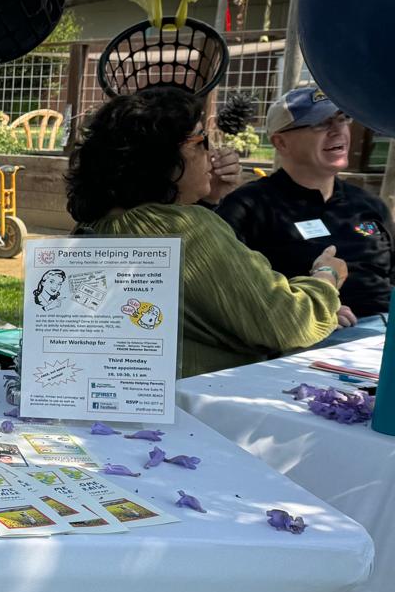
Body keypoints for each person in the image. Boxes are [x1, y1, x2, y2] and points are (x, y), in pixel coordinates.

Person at [67, 86, 344, 378]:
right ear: (162, 157)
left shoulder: (95, 224)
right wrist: (325, 278)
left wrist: (207, 199)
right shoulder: (187, 228)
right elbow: (286, 322)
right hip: (198, 407)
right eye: (202, 140)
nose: (213, 153)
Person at [216, 87, 392, 329]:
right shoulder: (249, 206)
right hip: (318, 337)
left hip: (385, 329)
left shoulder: (367, 204)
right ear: (281, 142)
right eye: (321, 123)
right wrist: (311, 311)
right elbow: (229, 291)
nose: (337, 129)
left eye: (343, 118)